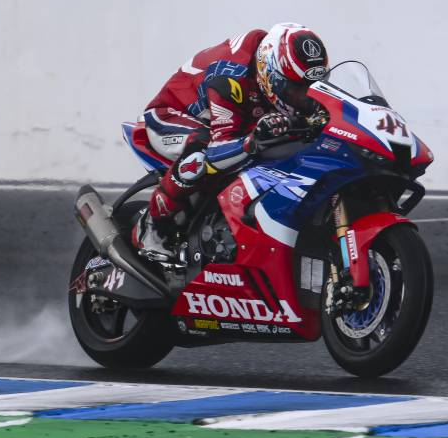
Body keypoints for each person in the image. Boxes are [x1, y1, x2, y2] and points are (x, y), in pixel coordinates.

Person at [132, 22, 329, 261]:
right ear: (269, 75)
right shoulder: (229, 78)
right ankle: (152, 225)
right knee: (200, 154)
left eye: (310, 88)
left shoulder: (278, 71)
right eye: (296, 90)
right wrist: (253, 141)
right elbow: (217, 151)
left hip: (232, 119)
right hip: (171, 114)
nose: (304, 98)